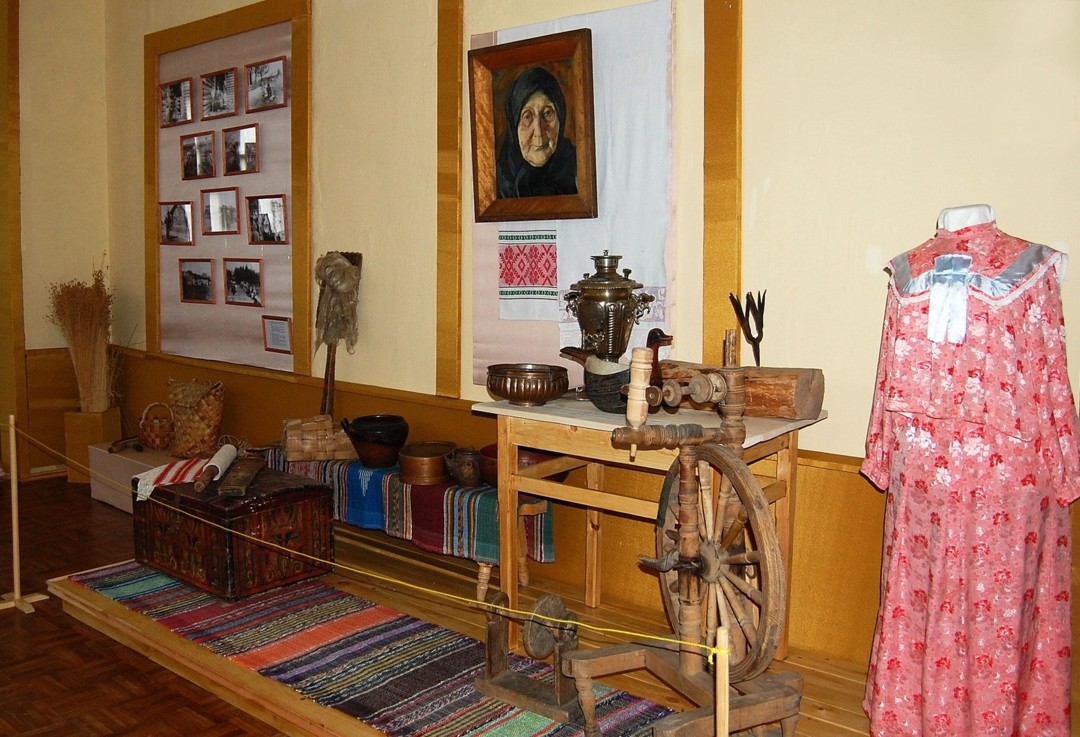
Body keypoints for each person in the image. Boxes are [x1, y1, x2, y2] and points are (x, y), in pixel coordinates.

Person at [862, 209, 1079, 736]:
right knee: (998, 605)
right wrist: (1066, 463)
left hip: (925, 470)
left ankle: (912, 717)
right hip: (1007, 476)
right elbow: (1051, 371)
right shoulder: (1032, 268)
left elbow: (887, 376)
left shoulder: (910, 272)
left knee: (926, 590)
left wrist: (882, 454)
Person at [496, 66, 577, 199]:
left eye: (548, 113)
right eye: (527, 116)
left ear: (560, 116)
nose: (539, 132)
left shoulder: (578, 167)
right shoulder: (500, 179)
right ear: (514, 124)